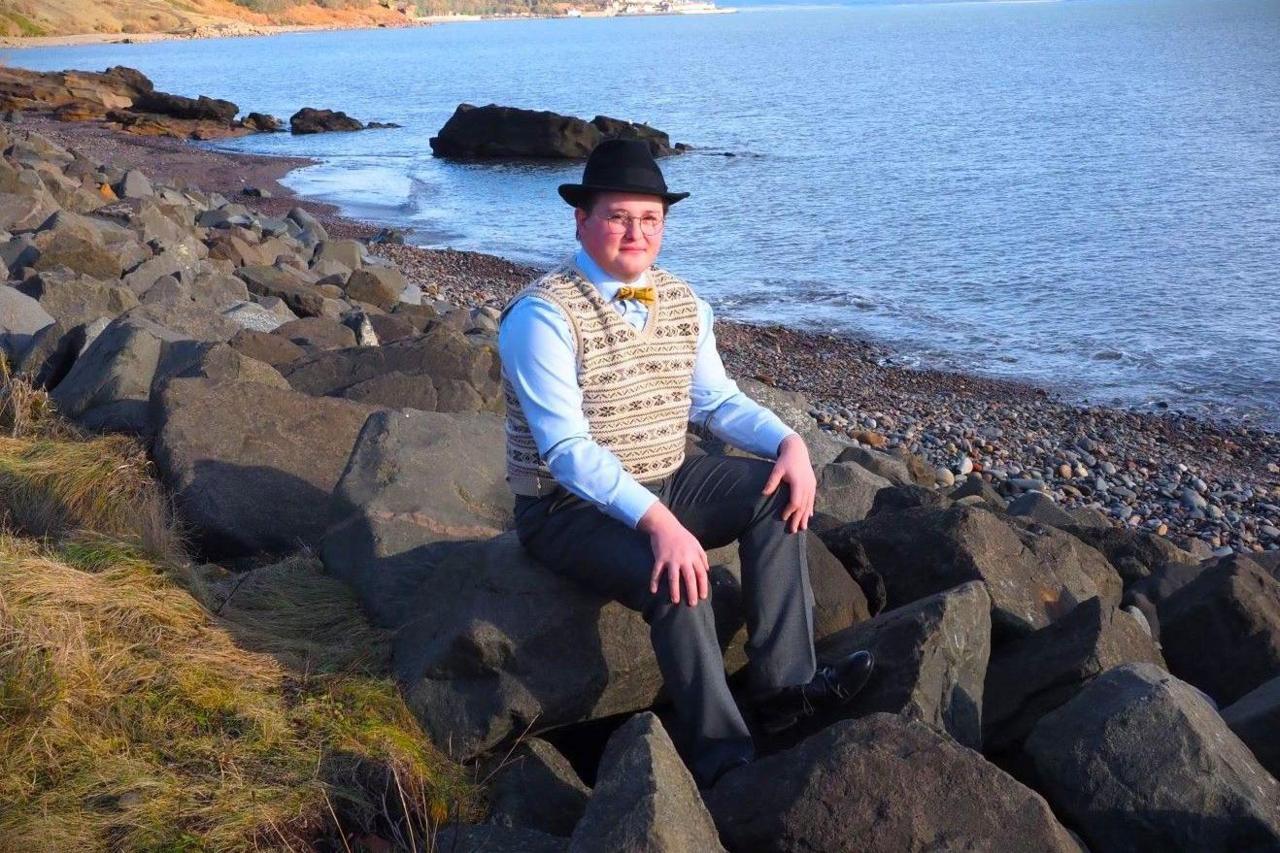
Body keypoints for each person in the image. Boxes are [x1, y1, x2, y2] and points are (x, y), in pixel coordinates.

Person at [497, 138, 873, 788]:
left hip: (668, 473)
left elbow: (717, 400)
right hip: (563, 505)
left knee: (773, 489)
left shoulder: (681, 301)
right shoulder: (541, 315)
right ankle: (724, 756)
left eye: (650, 219)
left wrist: (791, 441)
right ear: (581, 219)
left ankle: (787, 688)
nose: (636, 232)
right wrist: (662, 526)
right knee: (681, 578)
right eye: (618, 216)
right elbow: (567, 452)